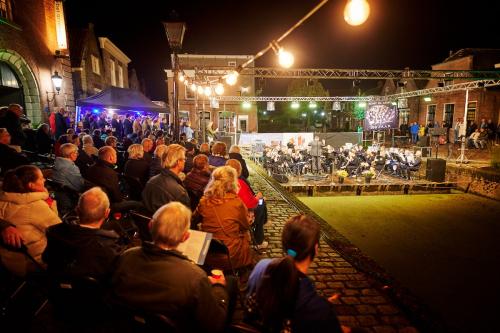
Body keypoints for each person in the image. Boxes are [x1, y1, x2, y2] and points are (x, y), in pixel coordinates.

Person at [111, 202, 232, 332]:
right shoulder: (195, 277)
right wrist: (219, 288)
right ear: (185, 237)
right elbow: (214, 325)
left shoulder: (126, 256)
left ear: (150, 225)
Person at [245, 214, 343, 333]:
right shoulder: (319, 310)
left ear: (284, 243)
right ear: (316, 249)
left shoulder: (261, 267)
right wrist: (321, 307)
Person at [42, 187, 126, 283]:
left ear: (77, 210)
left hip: (54, 290)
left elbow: (46, 258)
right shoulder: (111, 249)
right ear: (107, 213)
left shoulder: (54, 231)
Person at [0, 165, 61, 276]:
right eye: (41, 178)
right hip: (31, 263)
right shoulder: (35, 206)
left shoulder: (4, 197)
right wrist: (51, 204)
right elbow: (58, 231)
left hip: (7, 258)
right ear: (31, 185)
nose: (44, 180)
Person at [194, 166, 253, 270]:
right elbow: (245, 226)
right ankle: (245, 272)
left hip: (209, 248)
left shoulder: (204, 201)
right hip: (230, 252)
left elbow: (193, 220)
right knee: (246, 236)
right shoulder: (236, 203)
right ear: (232, 182)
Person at [226, 159, 268, 250]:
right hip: (240, 216)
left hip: (227, 213)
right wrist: (258, 197)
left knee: (261, 204)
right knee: (261, 204)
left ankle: (263, 224)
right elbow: (251, 204)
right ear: (238, 170)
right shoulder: (239, 183)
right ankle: (259, 240)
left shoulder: (221, 182)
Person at [142, 144, 190, 214]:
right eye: (184, 159)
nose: (185, 161)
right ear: (178, 162)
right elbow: (185, 220)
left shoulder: (151, 181)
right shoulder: (180, 192)